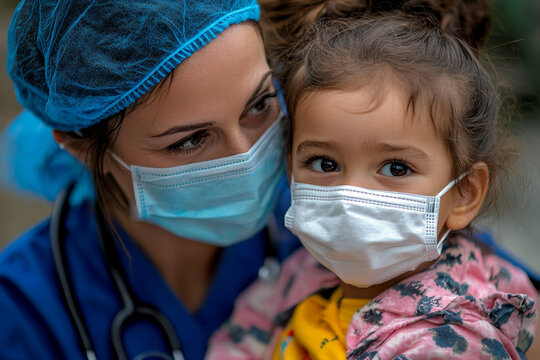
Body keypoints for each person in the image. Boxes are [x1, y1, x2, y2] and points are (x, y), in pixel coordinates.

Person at [207, 9, 539, 360]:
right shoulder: (300, 275)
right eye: (325, 163)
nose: (350, 194)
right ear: (290, 170)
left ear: (464, 193)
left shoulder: (455, 338)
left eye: (396, 167)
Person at [0, 1, 317, 359]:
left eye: (259, 104)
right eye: (189, 140)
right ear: (84, 148)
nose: (246, 155)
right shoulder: (23, 312)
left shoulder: (324, 228)